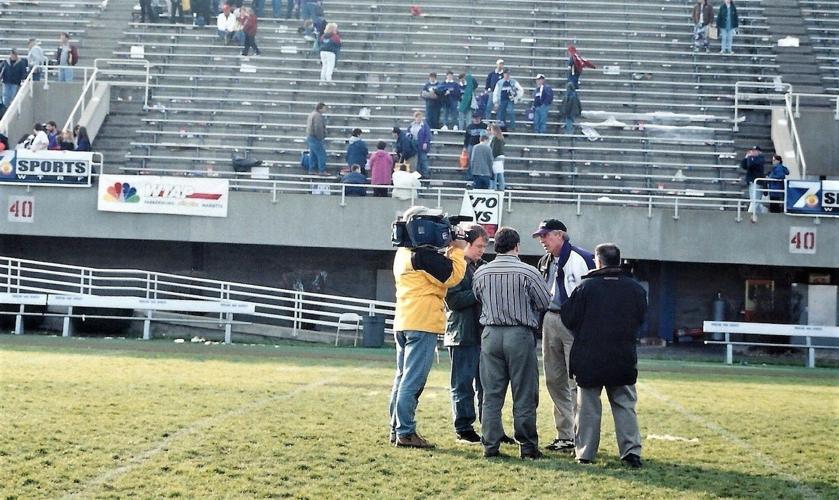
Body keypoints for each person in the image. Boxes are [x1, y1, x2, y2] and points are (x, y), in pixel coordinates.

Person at [560, 243, 646, 468]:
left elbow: (568, 318)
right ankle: (630, 452)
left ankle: (585, 453)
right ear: (619, 260)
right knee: (625, 405)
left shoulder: (586, 287)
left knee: (587, 407)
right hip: (623, 356)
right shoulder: (635, 289)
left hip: (589, 357)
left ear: (598, 261)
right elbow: (641, 319)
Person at [389, 206, 467, 449]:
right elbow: (453, 277)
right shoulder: (421, 256)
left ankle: (396, 429)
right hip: (421, 322)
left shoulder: (403, 252)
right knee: (413, 381)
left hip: (404, 319)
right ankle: (406, 432)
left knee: (402, 379)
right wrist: (457, 250)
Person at [472, 227, 551, 459]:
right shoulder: (528, 271)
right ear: (517, 246)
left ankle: (490, 445)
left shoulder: (482, 272)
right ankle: (527, 446)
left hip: (490, 334)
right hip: (519, 333)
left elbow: (478, 296)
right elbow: (544, 301)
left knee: (491, 394)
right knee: (524, 392)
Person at [532, 218, 595, 453]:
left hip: (573, 322)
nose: (542, 241)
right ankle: (565, 435)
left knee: (576, 381)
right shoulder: (545, 261)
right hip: (551, 317)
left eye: (545, 235)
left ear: (560, 235)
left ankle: (581, 436)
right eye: (540, 236)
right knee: (554, 378)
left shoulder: (582, 258)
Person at [444, 224, 489, 444]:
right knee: (463, 384)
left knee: (485, 384)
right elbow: (452, 300)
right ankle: (463, 427)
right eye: (478, 246)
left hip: (478, 333)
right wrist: (479, 293)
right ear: (467, 244)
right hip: (462, 333)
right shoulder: (456, 266)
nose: (481, 250)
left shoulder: (479, 266)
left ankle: (488, 425)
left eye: (483, 247)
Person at [740, 145, 765, 223]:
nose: (753, 152)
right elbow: (744, 166)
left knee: (755, 200)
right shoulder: (751, 158)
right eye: (752, 151)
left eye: (755, 151)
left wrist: (750, 157)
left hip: (757, 182)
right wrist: (746, 157)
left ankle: (749, 215)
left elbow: (751, 164)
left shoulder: (760, 159)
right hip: (751, 181)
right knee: (755, 200)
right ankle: (762, 214)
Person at [306, 102, 328, 175]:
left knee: (313, 154)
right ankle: (322, 170)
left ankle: (312, 169)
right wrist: (321, 137)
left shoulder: (312, 114)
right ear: (320, 108)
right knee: (321, 154)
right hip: (315, 137)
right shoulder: (318, 116)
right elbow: (318, 128)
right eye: (324, 108)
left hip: (310, 136)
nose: (325, 109)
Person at [408, 111, 432, 179]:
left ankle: (426, 174)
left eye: (419, 117)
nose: (418, 119)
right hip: (414, 145)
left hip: (422, 145)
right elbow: (408, 133)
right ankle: (418, 175)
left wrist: (425, 142)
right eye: (417, 117)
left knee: (423, 160)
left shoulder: (424, 125)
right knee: (416, 161)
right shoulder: (411, 125)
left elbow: (428, 135)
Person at [488, 124, 505, 191]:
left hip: (496, 157)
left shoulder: (495, 138)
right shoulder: (501, 137)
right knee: (500, 173)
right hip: (501, 156)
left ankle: (494, 188)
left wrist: (492, 158)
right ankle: (502, 187)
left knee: (495, 174)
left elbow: (494, 149)